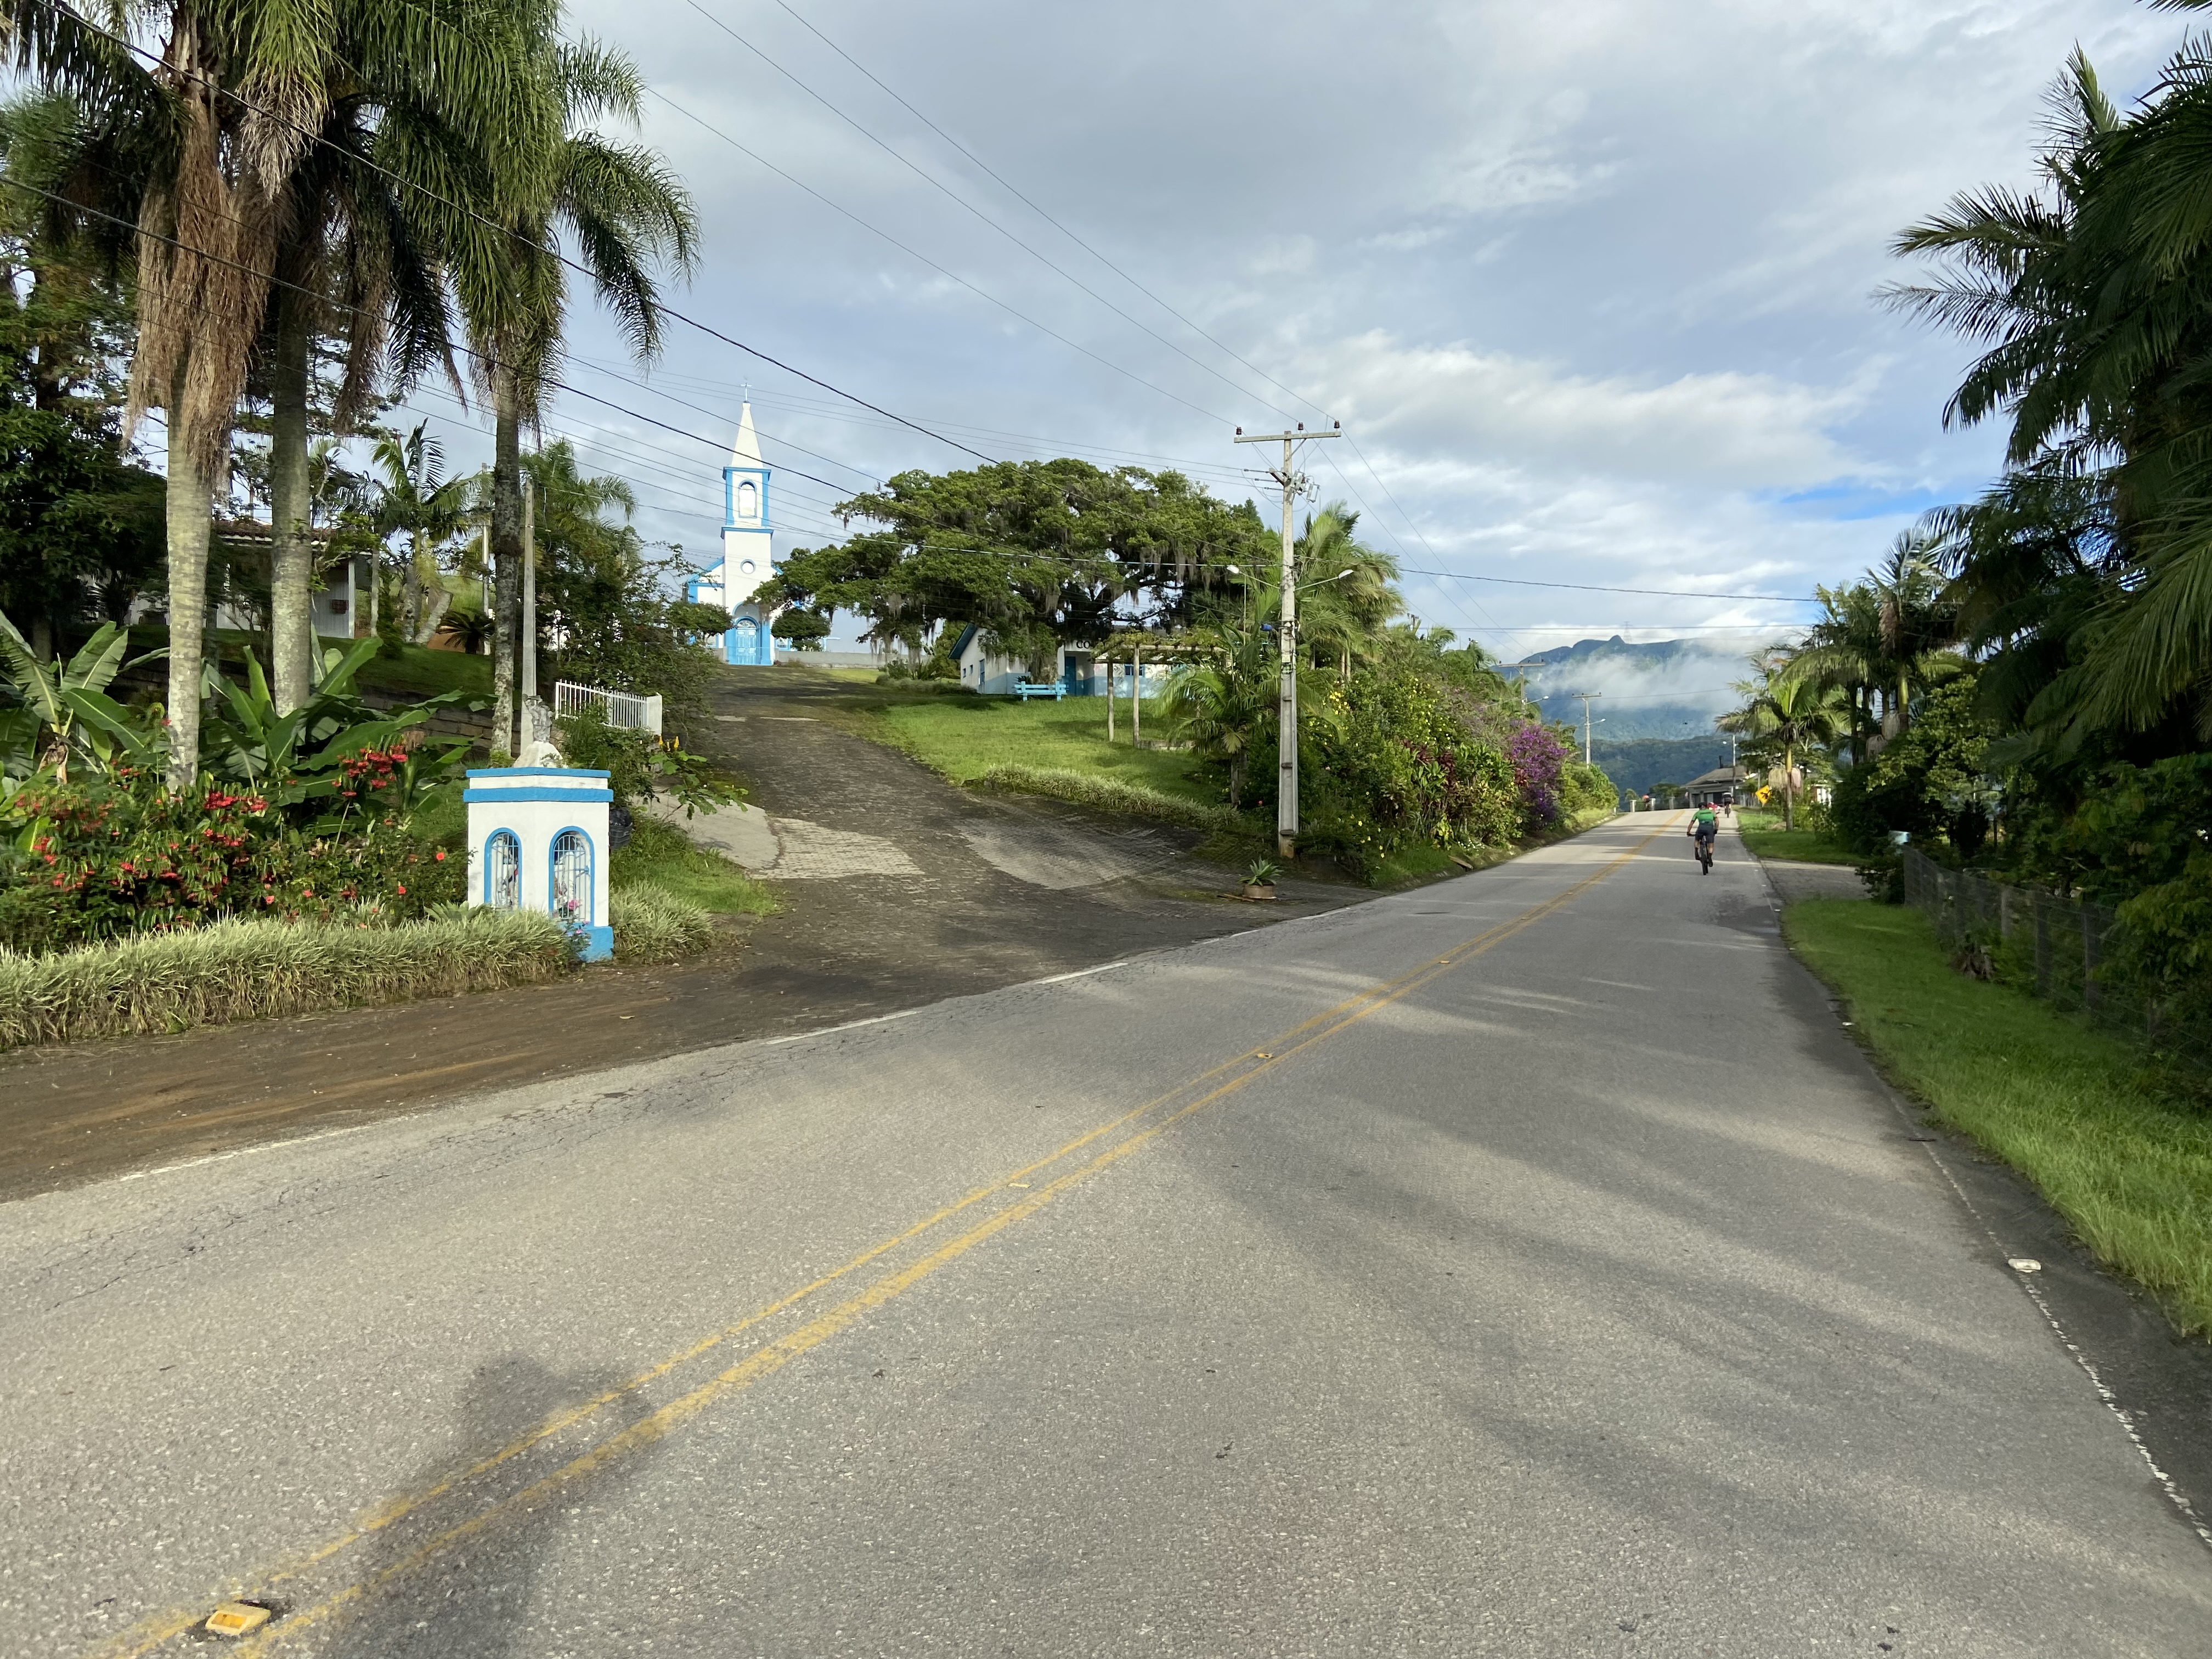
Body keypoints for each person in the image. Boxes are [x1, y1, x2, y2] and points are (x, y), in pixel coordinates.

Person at [1688, 802, 1719, 868]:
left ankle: (1696, 851)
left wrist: (1688, 832)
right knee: (1710, 845)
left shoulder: (1697, 813)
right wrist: (1716, 829)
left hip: (1701, 829)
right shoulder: (1712, 812)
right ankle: (1710, 856)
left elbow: (1691, 823)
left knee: (1697, 840)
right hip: (1710, 829)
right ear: (1707, 807)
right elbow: (1717, 821)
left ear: (1699, 808)